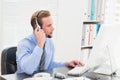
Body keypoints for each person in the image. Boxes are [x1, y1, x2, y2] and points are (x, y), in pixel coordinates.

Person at [16, 10, 83, 75]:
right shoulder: (23, 44)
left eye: (52, 24)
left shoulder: (49, 42)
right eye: (49, 25)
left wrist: (66, 64)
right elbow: (28, 70)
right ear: (38, 28)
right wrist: (40, 45)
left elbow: (49, 65)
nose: (53, 28)